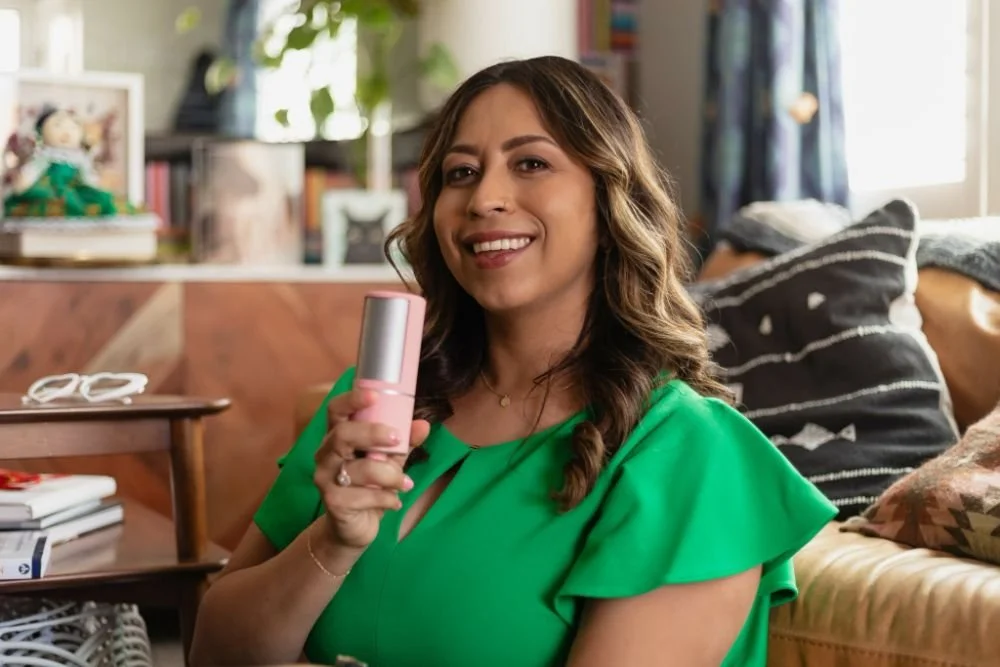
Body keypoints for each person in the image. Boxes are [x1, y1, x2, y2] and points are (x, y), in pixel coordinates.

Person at [190, 55, 837, 667]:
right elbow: (211, 650)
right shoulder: (376, 401)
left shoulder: (689, 453)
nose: (484, 198)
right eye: (460, 172)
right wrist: (333, 540)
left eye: (530, 163)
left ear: (609, 202)